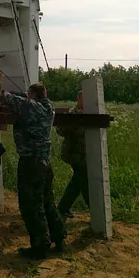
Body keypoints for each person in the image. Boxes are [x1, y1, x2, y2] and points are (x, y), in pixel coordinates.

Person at [1, 82, 66, 259]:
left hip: (31, 163)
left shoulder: (30, 106)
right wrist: (24, 94)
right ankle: (59, 237)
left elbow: (7, 97)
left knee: (31, 205)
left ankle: (40, 246)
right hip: (45, 161)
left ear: (32, 95)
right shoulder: (48, 106)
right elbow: (23, 99)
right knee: (47, 202)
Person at [56, 90, 90, 219]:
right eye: (83, 98)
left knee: (77, 182)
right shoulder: (71, 113)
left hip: (84, 154)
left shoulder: (91, 113)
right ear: (78, 99)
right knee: (84, 181)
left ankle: (63, 208)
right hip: (74, 154)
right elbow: (60, 130)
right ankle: (95, 211)